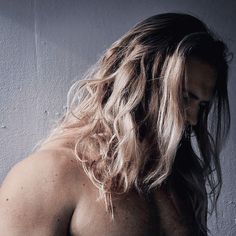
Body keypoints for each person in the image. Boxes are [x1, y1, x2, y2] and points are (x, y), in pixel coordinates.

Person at [0, 12, 232, 236]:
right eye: (183, 97)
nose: (192, 119)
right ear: (139, 81)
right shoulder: (50, 174)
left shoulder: (176, 178)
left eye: (201, 105)